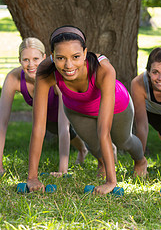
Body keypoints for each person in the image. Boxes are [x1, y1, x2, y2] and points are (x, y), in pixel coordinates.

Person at [26, 26, 147, 194]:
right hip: (77, 108)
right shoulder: (46, 71)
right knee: (94, 145)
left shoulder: (103, 69)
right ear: (52, 56)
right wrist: (32, 178)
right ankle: (103, 163)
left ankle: (140, 161)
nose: (68, 65)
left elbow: (103, 130)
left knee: (123, 141)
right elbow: (39, 126)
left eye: (76, 57)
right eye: (60, 58)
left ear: (84, 53)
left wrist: (111, 182)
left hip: (117, 105)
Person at [0, 38, 87, 176]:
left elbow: (63, 126)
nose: (31, 64)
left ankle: (83, 150)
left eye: (36, 58)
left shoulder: (56, 78)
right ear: (19, 60)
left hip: (72, 112)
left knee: (71, 129)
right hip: (47, 120)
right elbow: (2, 123)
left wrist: (62, 170)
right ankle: (83, 149)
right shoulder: (13, 78)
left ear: (44, 58)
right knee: (54, 128)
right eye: (26, 59)